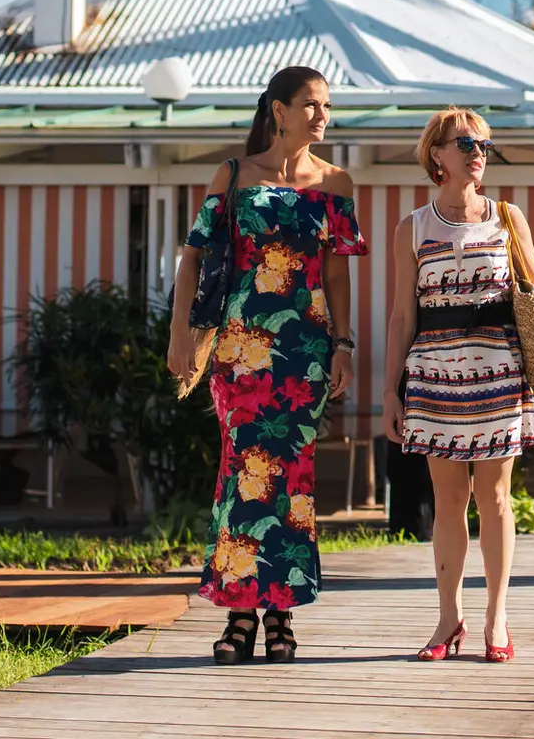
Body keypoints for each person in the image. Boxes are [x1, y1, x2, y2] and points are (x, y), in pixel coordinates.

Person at [165, 66, 366, 666]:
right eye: (311, 105)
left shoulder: (337, 182)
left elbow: (336, 272)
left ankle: (279, 614)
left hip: (303, 352)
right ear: (278, 111)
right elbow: (193, 259)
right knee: (242, 471)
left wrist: (344, 344)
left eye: (327, 106)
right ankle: (239, 615)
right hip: (238, 349)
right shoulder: (232, 175)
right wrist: (181, 335)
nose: (322, 116)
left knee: (293, 478)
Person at [382, 107, 534, 665]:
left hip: (498, 371)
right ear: (436, 154)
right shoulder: (411, 228)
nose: (477, 153)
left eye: (484, 145)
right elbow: (402, 315)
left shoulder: (508, 219)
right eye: (464, 143)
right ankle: (449, 618)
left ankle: (496, 618)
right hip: (434, 377)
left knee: (494, 498)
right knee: (448, 502)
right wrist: (391, 391)